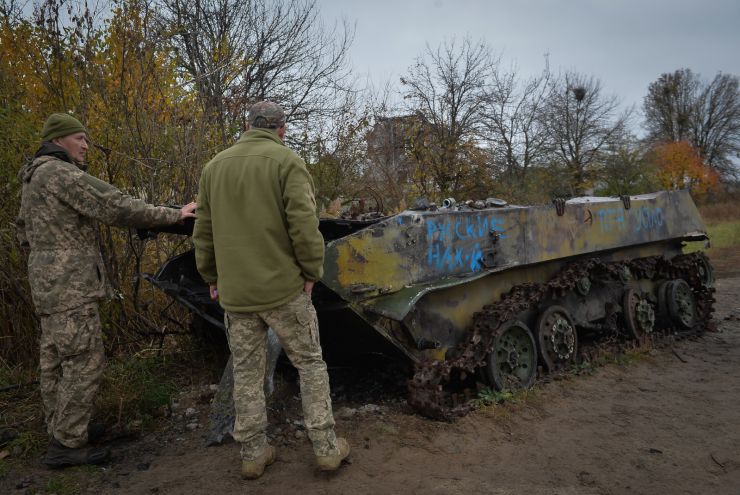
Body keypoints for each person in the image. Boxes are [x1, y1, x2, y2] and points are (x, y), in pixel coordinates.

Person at [16, 113, 197, 468]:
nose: (85, 146)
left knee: (55, 361)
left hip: (47, 286)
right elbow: (115, 205)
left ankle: (66, 429)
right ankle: (67, 445)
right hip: (71, 287)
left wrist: (49, 262)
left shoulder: (33, 177)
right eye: (79, 139)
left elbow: (23, 234)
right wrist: (173, 215)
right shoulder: (59, 173)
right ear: (58, 140)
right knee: (85, 361)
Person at [192, 101, 350, 480]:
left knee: (247, 372)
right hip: (284, 292)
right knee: (310, 364)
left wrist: (211, 277)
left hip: (237, 296)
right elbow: (305, 226)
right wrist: (312, 272)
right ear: (282, 128)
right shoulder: (287, 162)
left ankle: (252, 454)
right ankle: (327, 450)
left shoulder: (214, 168)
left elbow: (204, 232)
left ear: (247, 126)